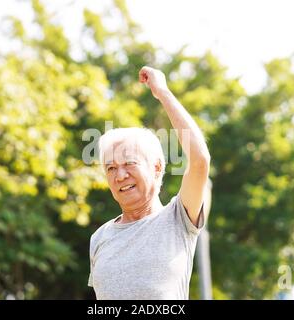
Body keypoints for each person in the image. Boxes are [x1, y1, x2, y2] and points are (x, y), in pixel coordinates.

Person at [88, 66, 211, 300]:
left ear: (156, 168)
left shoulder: (178, 218)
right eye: (111, 168)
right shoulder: (99, 237)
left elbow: (200, 160)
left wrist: (162, 92)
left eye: (129, 164)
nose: (120, 175)